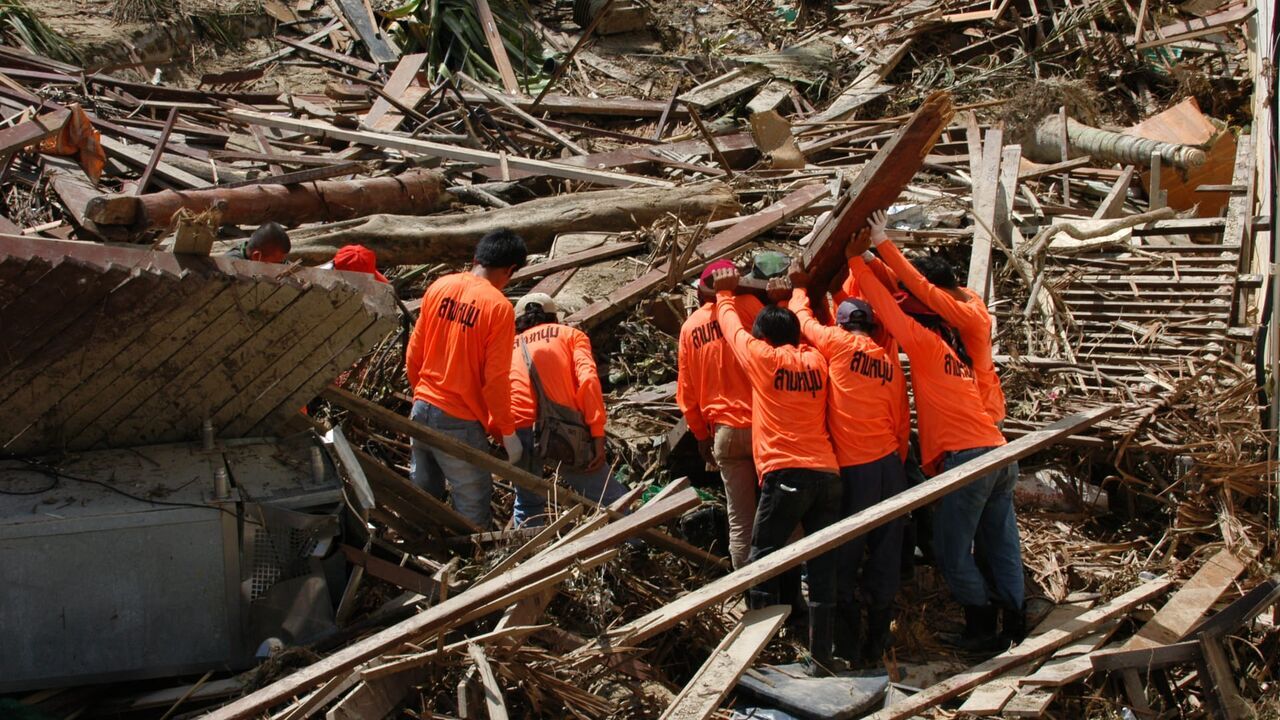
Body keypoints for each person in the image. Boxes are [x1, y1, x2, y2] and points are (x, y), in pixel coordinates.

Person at [846, 222, 1026, 652]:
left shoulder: (928, 346)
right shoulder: (958, 352)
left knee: (949, 552)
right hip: (1000, 453)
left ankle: (981, 624)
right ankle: (1016, 620)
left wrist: (857, 260)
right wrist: (872, 259)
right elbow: (909, 291)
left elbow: (891, 307)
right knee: (1001, 542)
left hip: (968, 460)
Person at [710, 267, 843, 677]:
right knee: (821, 565)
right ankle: (822, 656)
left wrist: (724, 295)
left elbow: (732, 329)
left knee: (763, 559)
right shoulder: (816, 360)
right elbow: (802, 327)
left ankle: (760, 654)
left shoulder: (763, 358)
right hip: (827, 475)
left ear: (764, 337)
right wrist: (788, 299)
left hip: (786, 473)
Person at [787, 261, 909, 665]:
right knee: (886, 552)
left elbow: (803, 320)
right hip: (889, 466)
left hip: (856, 467)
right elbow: (901, 423)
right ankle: (877, 640)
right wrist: (896, 465)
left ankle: (847, 646)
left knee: (845, 553)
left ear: (841, 325)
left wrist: (800, 287)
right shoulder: (887, 363)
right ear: (871, 327)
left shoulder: (837, 344)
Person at [405, 229, 527, 527]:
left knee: (422, 496)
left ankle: (418, 546)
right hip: (459, 419)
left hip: (421, 408)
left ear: (476, 258)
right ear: (510, 270)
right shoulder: (499, 308)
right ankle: (470, 555)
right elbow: (495, 379)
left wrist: (422, 395)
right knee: (472, 502)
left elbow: (414, 354)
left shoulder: (440, 286)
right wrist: (506, 432)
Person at [864, 210, 1006, 425]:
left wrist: (881, 240)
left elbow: (921, 288)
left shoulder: (970, 316)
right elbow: (905, 285)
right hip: (968, 409)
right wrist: (869, 258)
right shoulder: (962, 297)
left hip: (983, 410)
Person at [508, 292, 629, 527]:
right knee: (609, 498)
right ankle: (638, 541)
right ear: (554, 317)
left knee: (528, 503)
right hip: (562, 429)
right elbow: (588, 381)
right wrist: (597, 433)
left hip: (517, 430)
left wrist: (502, 434)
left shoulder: (507, 348)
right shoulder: (571, 335)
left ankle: (528, 547)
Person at [676, 260, 765, 569]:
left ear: (702, 292)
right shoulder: (750, 306)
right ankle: (791, 584)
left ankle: (748, 584)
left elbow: (686, 393)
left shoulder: (690, 328)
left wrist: (702, 436)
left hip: (724, 434)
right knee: (782, 512)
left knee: (740, 518)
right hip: (766, 429)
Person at [226, 222, 291, 263]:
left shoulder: (278, 259)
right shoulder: (231, 266)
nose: (280, 266)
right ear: (257, 256)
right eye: (276, 264)